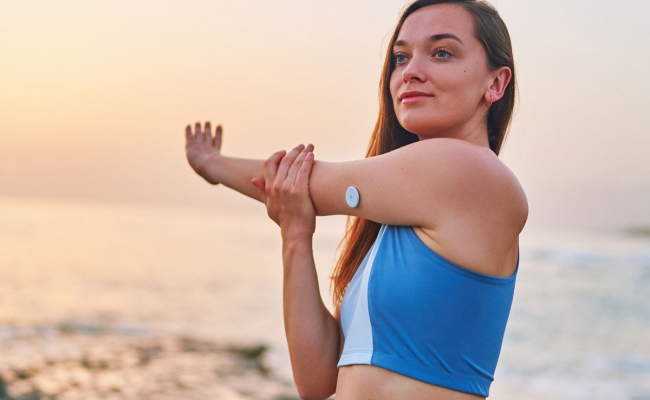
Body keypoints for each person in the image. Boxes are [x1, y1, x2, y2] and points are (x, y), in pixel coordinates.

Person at [185, 0, 527, 398]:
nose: (411, 71)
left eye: (441, 53)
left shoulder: (468, 171)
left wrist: (212, 164)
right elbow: (317, 379)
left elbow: (306, 183)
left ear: (496, 83)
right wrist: (295, 236)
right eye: (400, 58)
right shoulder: (402, 224)